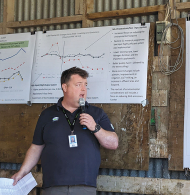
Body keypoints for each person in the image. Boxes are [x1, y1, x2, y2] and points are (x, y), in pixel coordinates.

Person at [11, 67, 119, 195]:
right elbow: (36, 147)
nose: (83, 89)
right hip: (53, 186)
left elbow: (113, 144)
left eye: (85, 85)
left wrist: (95, 127)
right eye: (78, 85)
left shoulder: (96, 113)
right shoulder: (47, 114)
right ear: (65, 87)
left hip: (84, 186)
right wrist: (22, 172)